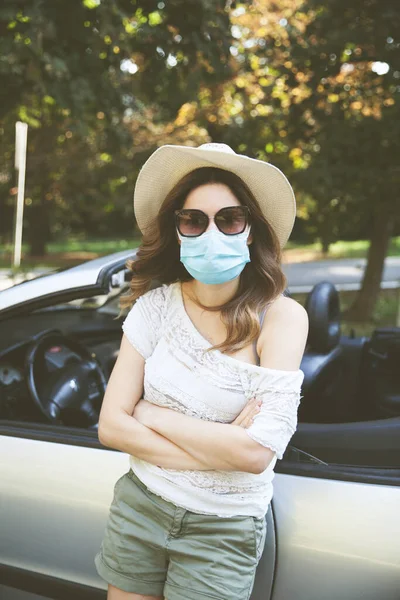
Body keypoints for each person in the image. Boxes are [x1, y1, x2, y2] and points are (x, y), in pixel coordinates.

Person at [94, 142, 309, 600]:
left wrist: (151, 415)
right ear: (177, 231)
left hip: (223, 530)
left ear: (249, 230)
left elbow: (256, 456)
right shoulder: (153, 309)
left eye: (229, 219)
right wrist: (222, 447)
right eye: (193, 220)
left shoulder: (281, 317)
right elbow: (111, 426)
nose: (212, 232)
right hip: (141, 506)